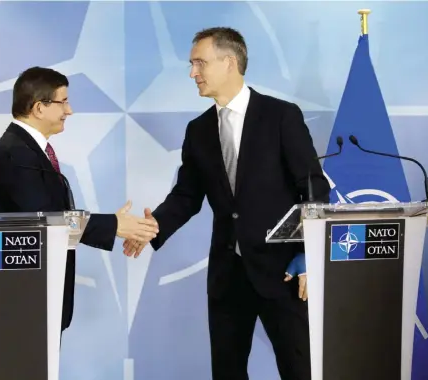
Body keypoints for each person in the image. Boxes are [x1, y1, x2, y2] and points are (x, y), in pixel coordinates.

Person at [123, 27, 329, 379]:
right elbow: (186, 197)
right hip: (228, 275)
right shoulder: (198, 129)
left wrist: (308, 256)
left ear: (229, 62)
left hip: (284, 271)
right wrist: (149, 229)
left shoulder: (281, 116)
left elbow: (313, 189)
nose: (193, 73)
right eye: (191, 65)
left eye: (199, 63)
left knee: (301, 369)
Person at [0, 66, 159, 333]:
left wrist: (115, 224)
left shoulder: (27, 150)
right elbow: (46, 222)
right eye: (63, 102)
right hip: (23, 298)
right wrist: (113, 225)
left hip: (36, 295)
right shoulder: (16, 154)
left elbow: (49, 216)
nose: (70, 111)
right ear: (39, 108)